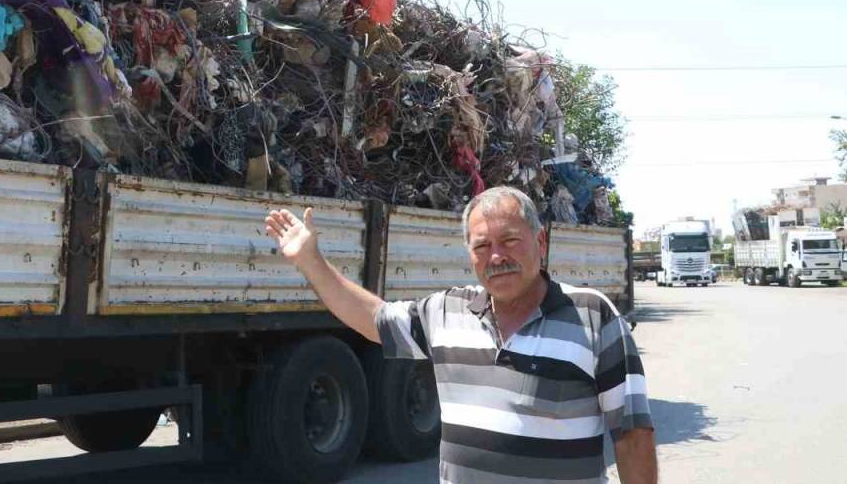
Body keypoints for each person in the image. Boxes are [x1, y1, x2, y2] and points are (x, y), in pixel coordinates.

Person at [263, 186, 657, 484]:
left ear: (540, 243)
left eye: (509, 241)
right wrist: (311, 261)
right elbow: (372, 317)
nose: (496, 257)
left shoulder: (592, 315)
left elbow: (633, 435)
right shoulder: (446, 312)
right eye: (482, 246)